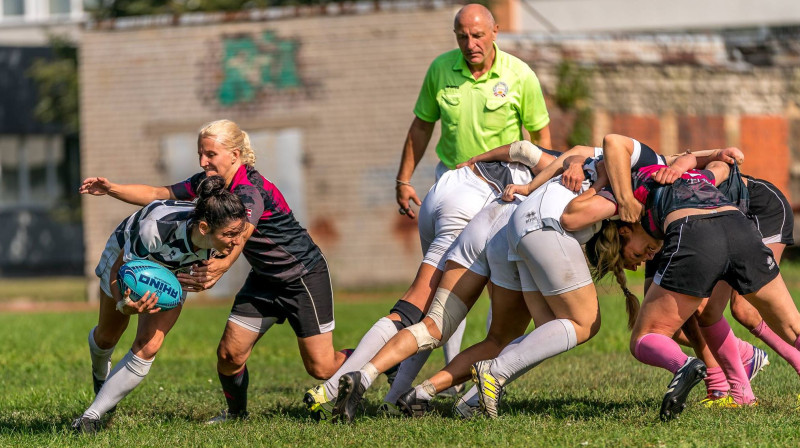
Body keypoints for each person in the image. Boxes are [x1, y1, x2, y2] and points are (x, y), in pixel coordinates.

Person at [79, 119, 349, 423]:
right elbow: (159, 192)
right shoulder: (212, 185)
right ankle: (236, 416)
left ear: (235, 154)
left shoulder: (250, 191)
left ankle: (373, 363)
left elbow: (240, 236)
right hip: (264, 278)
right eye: (200, 154)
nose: (203, 162)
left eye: (210, 154)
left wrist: (217, 269)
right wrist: (112, 189)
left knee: (321, 367)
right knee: (229, 355)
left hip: (301, 275)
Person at [305, 141, 570, 420]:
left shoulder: (573, 158)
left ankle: (395, 399)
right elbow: (527, 152)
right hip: (477, 202)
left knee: (426, 314)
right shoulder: (580, 167)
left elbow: (521, 149)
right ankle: (330, 391)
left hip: (448, 187)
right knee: (422, 315)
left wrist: (476, 159)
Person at [392, 2, 551, 383]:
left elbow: (540, 139)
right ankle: (447, 376)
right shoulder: (440, 69)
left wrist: (540, 188)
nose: (470, 43)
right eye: (462, 36)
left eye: (478, 35)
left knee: (502, 284)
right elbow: (421, 126)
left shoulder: (520, 75)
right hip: (453, 189)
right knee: (448, 281)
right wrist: (403, 178)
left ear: (495, 32)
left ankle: (483, 373)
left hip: (503, 192)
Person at [584, 157, 800, 421]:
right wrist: (701, 160)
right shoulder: (688, 176)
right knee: (789, 326)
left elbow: (612, 146)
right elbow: (719, 166)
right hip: (739, 225)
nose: (641, 261)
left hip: (697, 232)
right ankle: (741, 394)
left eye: (633, 257)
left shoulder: (631, 193)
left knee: (646, 337)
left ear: (624, 231)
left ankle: (685, 366)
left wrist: (593, 182)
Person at [72, 176, 247, 433]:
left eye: (238, 233)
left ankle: (90, 418)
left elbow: (219, 252)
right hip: (127, 257)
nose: (236, 241)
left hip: (174, 271)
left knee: (149, 344)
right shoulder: (154, 229)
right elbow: (120, 271)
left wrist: (208, 276)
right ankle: (101, 377)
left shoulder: (220, 240)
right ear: (203, 228)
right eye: (230, 235)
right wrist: (124, 304)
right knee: (107, 336)